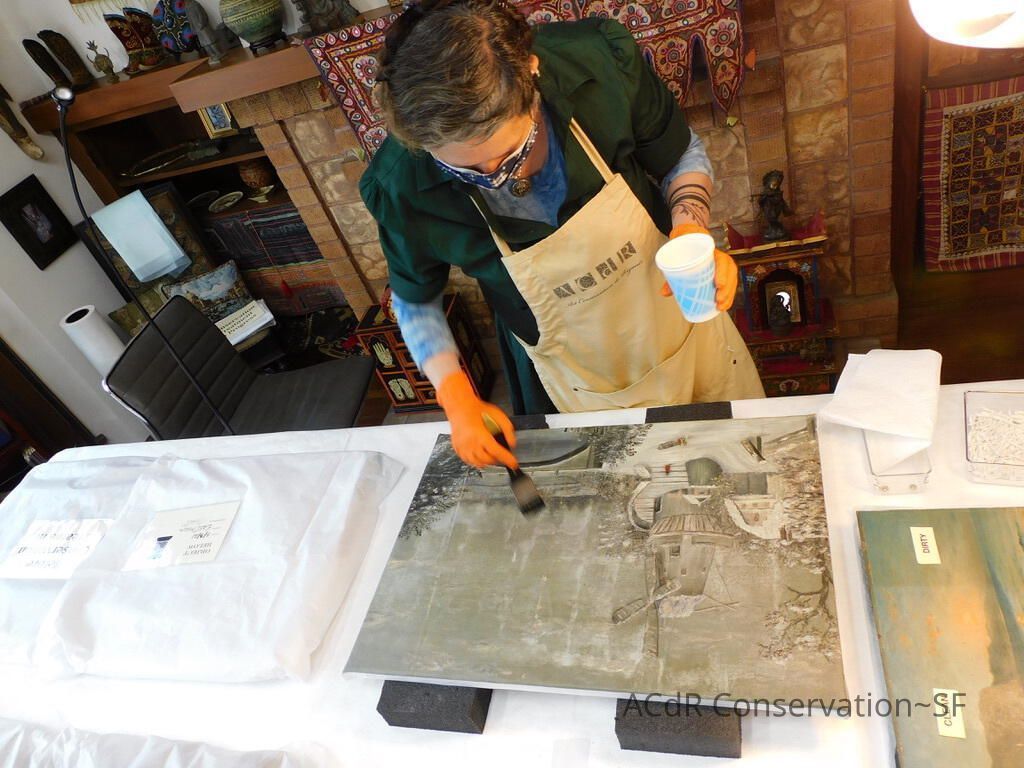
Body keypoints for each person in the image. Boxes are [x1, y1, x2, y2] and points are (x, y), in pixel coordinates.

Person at [361, 0, 764, 470]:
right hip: (565, 374)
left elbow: (680, 156)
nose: (499, 181)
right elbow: (415, 301)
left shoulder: (596, 65)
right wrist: (454, 395)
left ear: (532, 79)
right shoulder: (401, 183)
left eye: (509, 157)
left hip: (678, 325)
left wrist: (690, 231)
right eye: (465, 171)